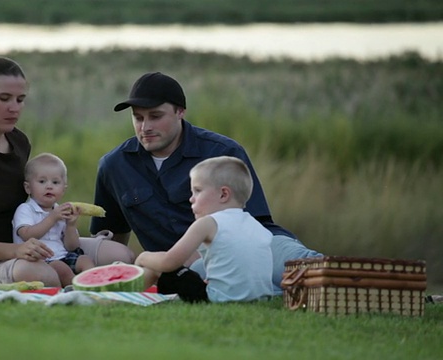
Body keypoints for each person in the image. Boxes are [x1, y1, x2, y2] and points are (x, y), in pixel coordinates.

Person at [90, 71, 322, 294]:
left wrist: (202, 251)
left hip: (260, 246)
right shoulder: (114, 166)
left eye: (155, 116)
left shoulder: (223, 153)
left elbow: (253, 222)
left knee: (312, 269)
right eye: (138, 117)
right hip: (189, 269)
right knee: (224, 284)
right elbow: (111, 239)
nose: (145, 127)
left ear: (180, 111)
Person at [0, 56, 134, 287]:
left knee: (120, 256)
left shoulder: (19, 141)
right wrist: (15, 250)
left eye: (20, 100)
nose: (14, 108)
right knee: (43, 275)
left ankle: (93, 295)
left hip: (32, 246)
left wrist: (60, 218)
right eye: (4, 98)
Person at [135, 156, 273, 303]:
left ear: (223, 194)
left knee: (158, 269)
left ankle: (120, 295)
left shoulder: (208, 223)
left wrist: (143, 257)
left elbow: (170, 262)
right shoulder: (257, 226)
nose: (191, 199)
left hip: (215, 299)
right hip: (260, 300)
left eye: (197, 191)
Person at [13, 153, 95, 287]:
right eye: (42, 181)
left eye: (55, 182)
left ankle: (95, 285)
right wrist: (52, 218)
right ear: (28, 188)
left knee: (85, 260)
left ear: (63, 189)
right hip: (41, 259)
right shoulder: (25, 209)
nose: (49, 186)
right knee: (61, 268)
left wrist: (71, 225)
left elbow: (72, 246)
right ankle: (79, 290)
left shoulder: (59, 211)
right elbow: (26, 234)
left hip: (62, 256)